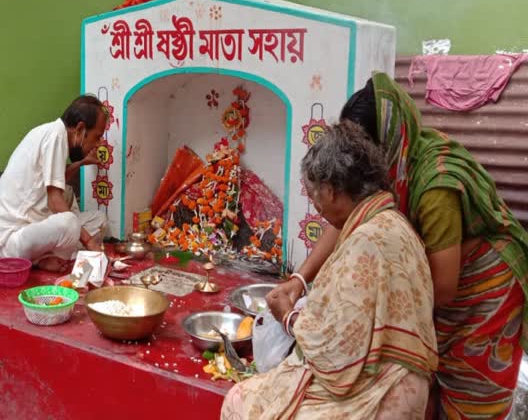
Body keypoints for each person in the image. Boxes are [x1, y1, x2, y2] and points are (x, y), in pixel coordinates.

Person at [270, 72, 528, 419]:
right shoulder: (393, 162)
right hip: (438, 277)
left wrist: (366, 310)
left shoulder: (435, 186)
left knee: (468, 396)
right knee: (424, 382)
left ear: (384, 143)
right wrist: (299, 280)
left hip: (482, 288)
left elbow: (444, 286)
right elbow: (346, 217)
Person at [222, 121, 438, 419]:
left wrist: (288, 317)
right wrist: (299, 282)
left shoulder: (366, 242)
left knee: (240, 400)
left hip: (379, 394)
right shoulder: (393, 223)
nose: (317, 209)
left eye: (315, 197)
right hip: (397, 382)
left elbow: (336, 359)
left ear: (332, 191)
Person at [0, 95, 108, 271]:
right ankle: (46, 257)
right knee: (70, 223)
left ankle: (42, 259)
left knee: (99, 219)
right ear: (80, 128)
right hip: (12, 242)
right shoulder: (56, 137)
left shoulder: (52, 133)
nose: (98, 143)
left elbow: (55, 182)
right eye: (97, 137)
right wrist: (89, 242)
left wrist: (80, 163)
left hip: (29, 233)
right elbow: (54, 201)